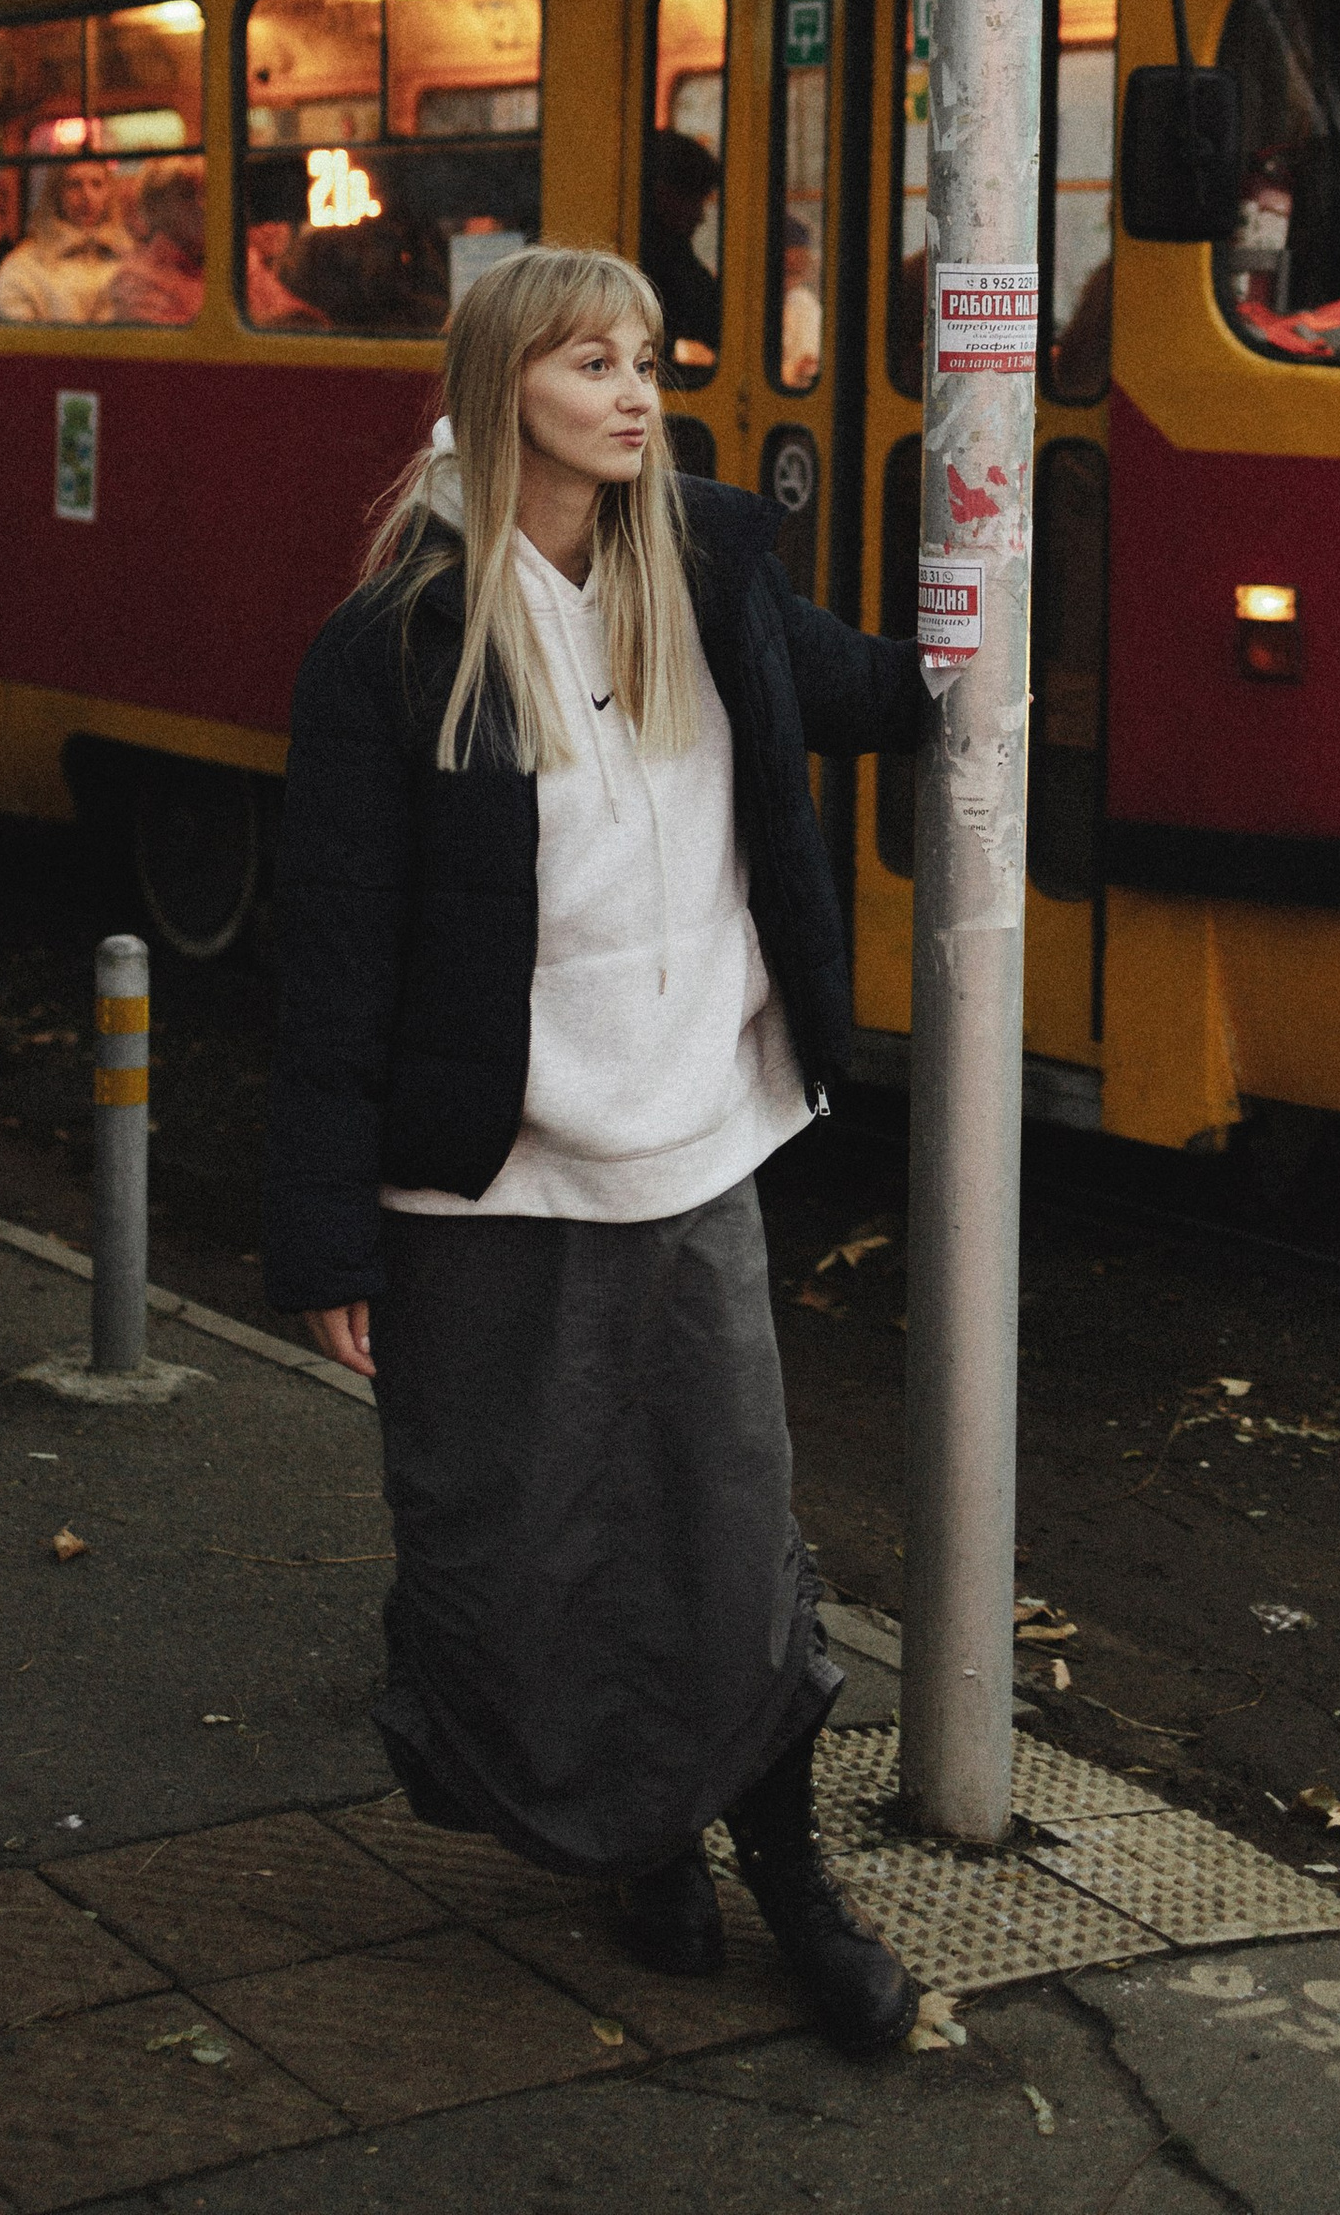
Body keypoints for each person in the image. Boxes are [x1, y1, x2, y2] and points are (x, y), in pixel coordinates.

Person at [266, 245, 930, 2056]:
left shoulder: (705, 566)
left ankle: (789, 1874)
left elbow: (847, 688)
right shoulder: (399, 644)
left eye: (646, 358)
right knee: (526, 1547)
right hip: (484, 1181)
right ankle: (640, 1842)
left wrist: (993, 632)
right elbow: (332, 957)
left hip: (694, 1141)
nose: (638, 391)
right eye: (590, 363)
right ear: (502, 392)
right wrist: (322, 1236)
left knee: (728, 1535)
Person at [0, 156, 121, 321]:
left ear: (108, 193)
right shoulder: (24, 266)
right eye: (74, 185)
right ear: (56, 194)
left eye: (97, 184)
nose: (87, 195)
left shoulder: (126, 259)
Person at [638, 127, 723, 377]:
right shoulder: (662, 255)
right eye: (695, 202)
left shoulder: (665, 246)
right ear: (664, 194)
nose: (701, 218)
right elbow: (710, 318)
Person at [94, 156, 207, 327]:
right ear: (156, 208)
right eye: (187, 195)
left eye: (207, 193)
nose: (202, 206)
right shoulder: (138, 281)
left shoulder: (242, 262)